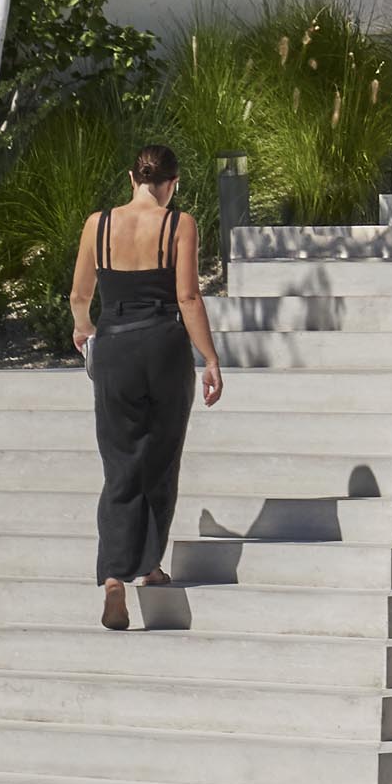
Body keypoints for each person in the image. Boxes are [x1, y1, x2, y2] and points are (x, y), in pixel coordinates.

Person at [67, 142, 224, 629]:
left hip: (114, 344)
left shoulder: (99, 224)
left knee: (120, 463)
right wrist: (211, 358)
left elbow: (79, 294)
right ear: (172, 184)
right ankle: (150, 567)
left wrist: (84, 330)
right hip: (163, 346)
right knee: (159, 456)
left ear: (131, 178)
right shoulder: (180, 224)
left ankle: (114, 575)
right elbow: (188, 296)